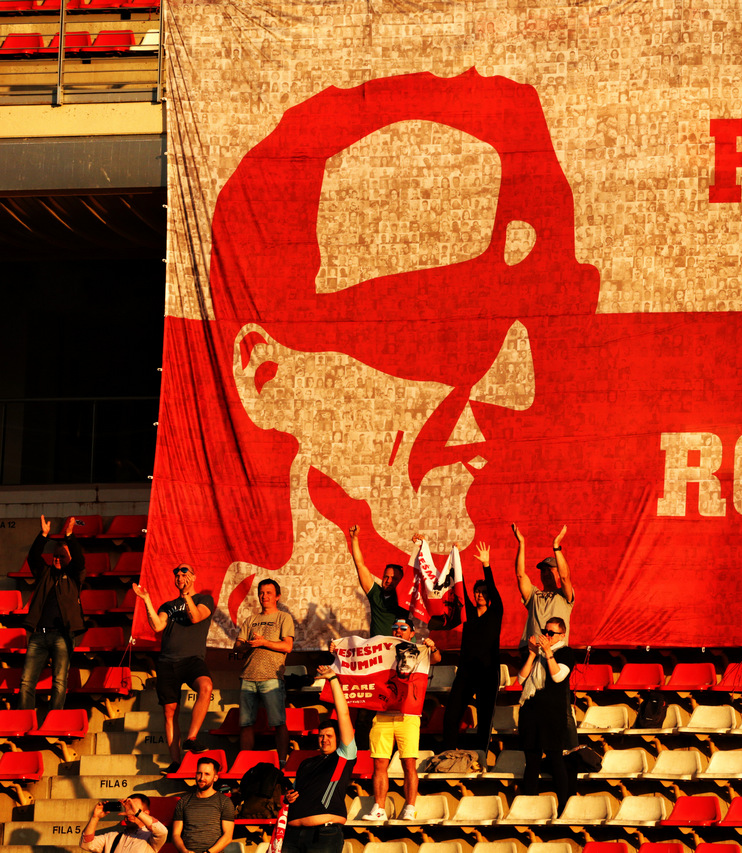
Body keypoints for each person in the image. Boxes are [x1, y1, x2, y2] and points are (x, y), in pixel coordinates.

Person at [209, 73, 601, 648]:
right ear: (267, 371)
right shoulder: (254, 605)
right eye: (443, 344)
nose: (513, 394)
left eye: (531, 321)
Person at [134, 564, 215, 774]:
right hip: (167, 662)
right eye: (177, 574)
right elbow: (157, 626)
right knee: (170, 711)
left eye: (184, 573)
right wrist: (146, 600)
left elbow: (195, 617)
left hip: (192, 659)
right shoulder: (168, 605)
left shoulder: (203, 600)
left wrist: (187, 595)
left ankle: (192, 738)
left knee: (205, 686)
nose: (180, 576)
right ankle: (175, 761)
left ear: (193, 577)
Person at [360, 618, 441, 822]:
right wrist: (339, 650)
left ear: (412, 633)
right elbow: (358, 661)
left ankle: (410, 806)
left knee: (408, 763)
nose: (398, 631)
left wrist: (433, 647)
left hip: (408, 715)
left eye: (403, 628)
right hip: (383, 714)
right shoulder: (382, 650)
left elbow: (437, 659)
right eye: (395, 628)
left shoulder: (419, 650)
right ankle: (379, 807)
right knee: (379, 763)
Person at [282, 665, 357, 853]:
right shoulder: (306, 763)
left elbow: (344, 714)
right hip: (292, 836)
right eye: (321, 736)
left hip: (324, 836)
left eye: (329, 736)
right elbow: (294, 793)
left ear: (339, 739)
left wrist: (332, 680)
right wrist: (289, 797)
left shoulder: (343, 756)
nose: (324, 740)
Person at [441, 542, 503, 751]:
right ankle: (449, 752)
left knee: (484, 721)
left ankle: (481, 758)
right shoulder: (468, 612)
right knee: (451, 715)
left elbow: (494, 591)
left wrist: (486, 565)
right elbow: (460, 587)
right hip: (466, 674)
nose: (480, 595)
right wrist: (455, 557)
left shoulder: (496, 613)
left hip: (487, 674)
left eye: (484, 592)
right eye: (477, 592)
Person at [21, 515, 85, 713]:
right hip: (38, 635)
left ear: (69, 560)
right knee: (26, 682)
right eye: (55, 557)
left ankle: (54, 718)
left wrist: (69, 536)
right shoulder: (45, 573)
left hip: (62, 635)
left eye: (62, 557)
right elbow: (33, 557)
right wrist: (43, 535)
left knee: (59, 681)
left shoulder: (74, 576)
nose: (57, 560)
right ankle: (23, 718)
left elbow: (80, 561)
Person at [517, 616, 578, 814]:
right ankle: (529, 806)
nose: (547, 636)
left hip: (552, 712)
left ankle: (564, 806)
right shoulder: (539, 654)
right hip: (532, 710)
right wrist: (533, 655)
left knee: (555, 756)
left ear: (562, 635)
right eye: (546, 631)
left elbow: (558, 676)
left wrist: (549, 652)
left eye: (552, 633)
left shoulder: (565, 652)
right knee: (532, 759)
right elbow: (521, 679)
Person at [234, 579, 295, 764]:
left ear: (277, 596)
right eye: (261, 592)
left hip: (272, 677)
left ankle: (282, 762)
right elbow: (237, 646)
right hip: (248, 677)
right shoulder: (251, 620)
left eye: (269, 592)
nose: (264, 596)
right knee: (245, 724)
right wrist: (246, 644)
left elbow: (288, 646)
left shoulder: (283, 617)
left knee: (278, 722)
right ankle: (245, 763)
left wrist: (264, 642)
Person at [513, 524, 574, 648]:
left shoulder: (563, 595)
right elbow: (520, 575)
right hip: (532, 653)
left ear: (557, 572)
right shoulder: (534, 595)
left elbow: (565, 577)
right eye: (543, 570)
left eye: (550, 569)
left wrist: (556, 547)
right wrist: (522, 543)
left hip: (556, 653)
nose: (545, 573)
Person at [346, 525, 408, 637]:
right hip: (376, 650)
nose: (389, 580)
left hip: (397, 648)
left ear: (401, 582)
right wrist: (354, 539)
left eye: (394, 578)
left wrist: (421, 544)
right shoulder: (375, 593)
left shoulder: (405, 598)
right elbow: (360, 565)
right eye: (386, 577)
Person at [171, 756, 235, 853]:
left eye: (207, 774)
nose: (201, 778)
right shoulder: (183, 801)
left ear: (215, 778)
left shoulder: (224, 802)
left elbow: (228, 836)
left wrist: (209, 852)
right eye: (199, 773)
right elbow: (175, 834)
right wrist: (185, 851)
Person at [80, 795, 168, 853]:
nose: (130, 812)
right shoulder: (112, 837)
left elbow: (162, 831)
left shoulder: (149, 837)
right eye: (129, 807)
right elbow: (86, 844)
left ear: (146, 813)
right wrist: (95, 818)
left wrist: (137, 813)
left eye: (134, 808)